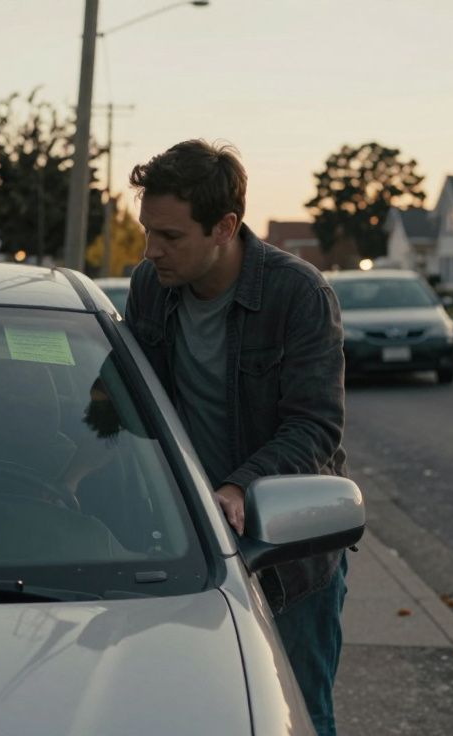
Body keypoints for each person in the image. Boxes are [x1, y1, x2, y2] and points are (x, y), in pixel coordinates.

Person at [122, 139, 350, 735]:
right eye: (148, 231)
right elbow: (122, 404)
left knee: (297, 713)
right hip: (182, 543)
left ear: (225, 227)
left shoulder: (297, 295)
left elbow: (315, 425)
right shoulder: (150, 286)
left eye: (170, 236)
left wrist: (237, 489)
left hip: (283, 552)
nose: (152, 251)